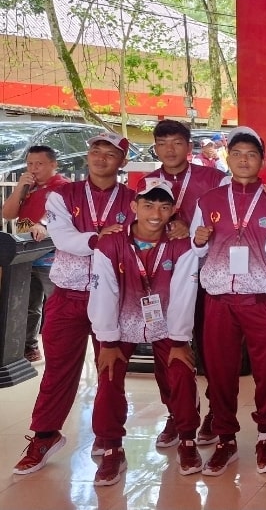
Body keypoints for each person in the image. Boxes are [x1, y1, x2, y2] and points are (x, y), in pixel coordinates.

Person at [12, 132, 134, 477]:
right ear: (87, 155)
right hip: (67, 294)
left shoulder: (134, 200)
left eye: (110, 153)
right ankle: (45, 435)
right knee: (58, 370)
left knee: (112, 371)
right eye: (96, 150)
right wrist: (99, 238)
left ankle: (110, 440)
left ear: (121, 161)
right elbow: (63, 238)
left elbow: (136, 239)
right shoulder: (63, 195)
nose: (101, 157)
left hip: (113, 296)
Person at [87, 178, 201, 485]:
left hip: (166, 323)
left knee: (180, 372)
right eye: (148, 205)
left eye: (164, 207)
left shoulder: (181, 244)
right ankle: (112, 447)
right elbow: (104, 292)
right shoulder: (110, 243)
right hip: (121, 324)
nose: (155, 213)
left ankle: (187, 437)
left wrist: (179, 340)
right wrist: (108, 341)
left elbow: (183, 294)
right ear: (134, 206)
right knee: (109, 376)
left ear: (173, 210)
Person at [190, 127, 266, 476]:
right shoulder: (209, 201)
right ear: (228, 158)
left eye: (251, 154)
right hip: (219, 298)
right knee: (219, 372)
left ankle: (265, 436)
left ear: (261, 160)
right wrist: (199, 240)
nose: (244, 160)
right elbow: (196, 250)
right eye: (237, 154)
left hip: (264, 298)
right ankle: (225, 439)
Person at [145, 119, 229, 447]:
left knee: (213, 351)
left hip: (208, 275)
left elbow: (234, 219)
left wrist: (193, 229)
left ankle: (215, 412)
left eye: (176, 142)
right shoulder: (147, 183)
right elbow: (140, 225)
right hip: (163, 278)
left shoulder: (213, 178)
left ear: (189, 147)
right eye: (162, 143)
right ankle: (177, 413)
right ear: (155, 147)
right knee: (166, 349)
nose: (169, 149)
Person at [1, 145, 68, 363]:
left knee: (57, 306)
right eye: (30, 163)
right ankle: (29, 347)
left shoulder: (64, 186)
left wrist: (43, 225)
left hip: (51, 256)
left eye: (39, 164)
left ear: (53, 164)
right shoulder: (29, 187)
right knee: (28, 306)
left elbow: (63, 216)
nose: (33, 168)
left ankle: (62, 351)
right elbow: (8, 214)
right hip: (25, 255)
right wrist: (20, 188)